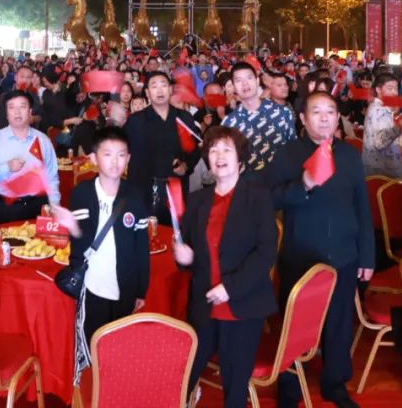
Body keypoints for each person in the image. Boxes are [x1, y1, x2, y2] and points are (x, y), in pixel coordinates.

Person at [262, 91, 373, 408]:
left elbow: (362, 207)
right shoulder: (288, 154)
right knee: (295, 323)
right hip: (301, 255)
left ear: (338, 117)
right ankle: (289, 385)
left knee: (339, 322)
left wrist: (366, 255)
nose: (324, 118)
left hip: (344, 254)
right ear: (303, 118)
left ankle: (335, 384)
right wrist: (304, 185)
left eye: (330, 112)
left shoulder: (349, 155)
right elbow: (268, 198)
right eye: (316, 112)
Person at [173, 125, 279, 408]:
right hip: (205, 303)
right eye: (213, 150)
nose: (219, 156)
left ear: (239, 157)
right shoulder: (198, 200)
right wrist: (184, 258)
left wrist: (229, 288)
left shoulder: (257, 196)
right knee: (184, 374)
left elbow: (266, 252)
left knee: (234, 387)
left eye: (226, 150)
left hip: (242, 303)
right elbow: (193, 256)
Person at [52, 126, 150, 346]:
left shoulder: (135, 196)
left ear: (128, 158)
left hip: (125, 285)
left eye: (121, 155)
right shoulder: (82, 193)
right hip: (92, 284)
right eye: (107, 154)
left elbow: (141, 248)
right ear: (94, 158)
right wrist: (73, 228)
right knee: (92, 344)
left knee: (120, 345)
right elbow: (80, 244)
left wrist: (141, 290)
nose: (115, 161)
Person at [124, 72, 201, 223]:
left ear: (170, 89)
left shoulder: (184, 118)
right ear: (147, 93)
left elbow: (194, 150)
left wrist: (186, 165)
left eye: (163, 85)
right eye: (154, 86)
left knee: (176, 230)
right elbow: (127, 153)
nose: (159, 90)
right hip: (145, 189)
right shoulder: (135, 121)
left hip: (176, 188)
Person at [0, 89, 60, 222]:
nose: (17, 112)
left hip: (37, 206)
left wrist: (55, 207)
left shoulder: (43, 140)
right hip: (4, 207)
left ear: (30, 112)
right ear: (7, 114)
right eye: (12, 107)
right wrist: (7, 167)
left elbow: (52, 178)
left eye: (22, 107)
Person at [221, 61, 296, 173]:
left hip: (283, 179)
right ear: (234, 87)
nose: (245, 84)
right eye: (239, 80)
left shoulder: (282, 113)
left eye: (249, 78)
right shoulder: (228, 123)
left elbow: (293, 150)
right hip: (248, 182)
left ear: (257, 81)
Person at [362, 73, 402, 178]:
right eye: (390, 88)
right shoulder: (379, 110)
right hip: (383, 170)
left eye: (396, 88)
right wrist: (398, 127)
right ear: (378, 90)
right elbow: (380, 142)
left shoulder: (378, 106)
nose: (394, 92)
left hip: (378, 165)